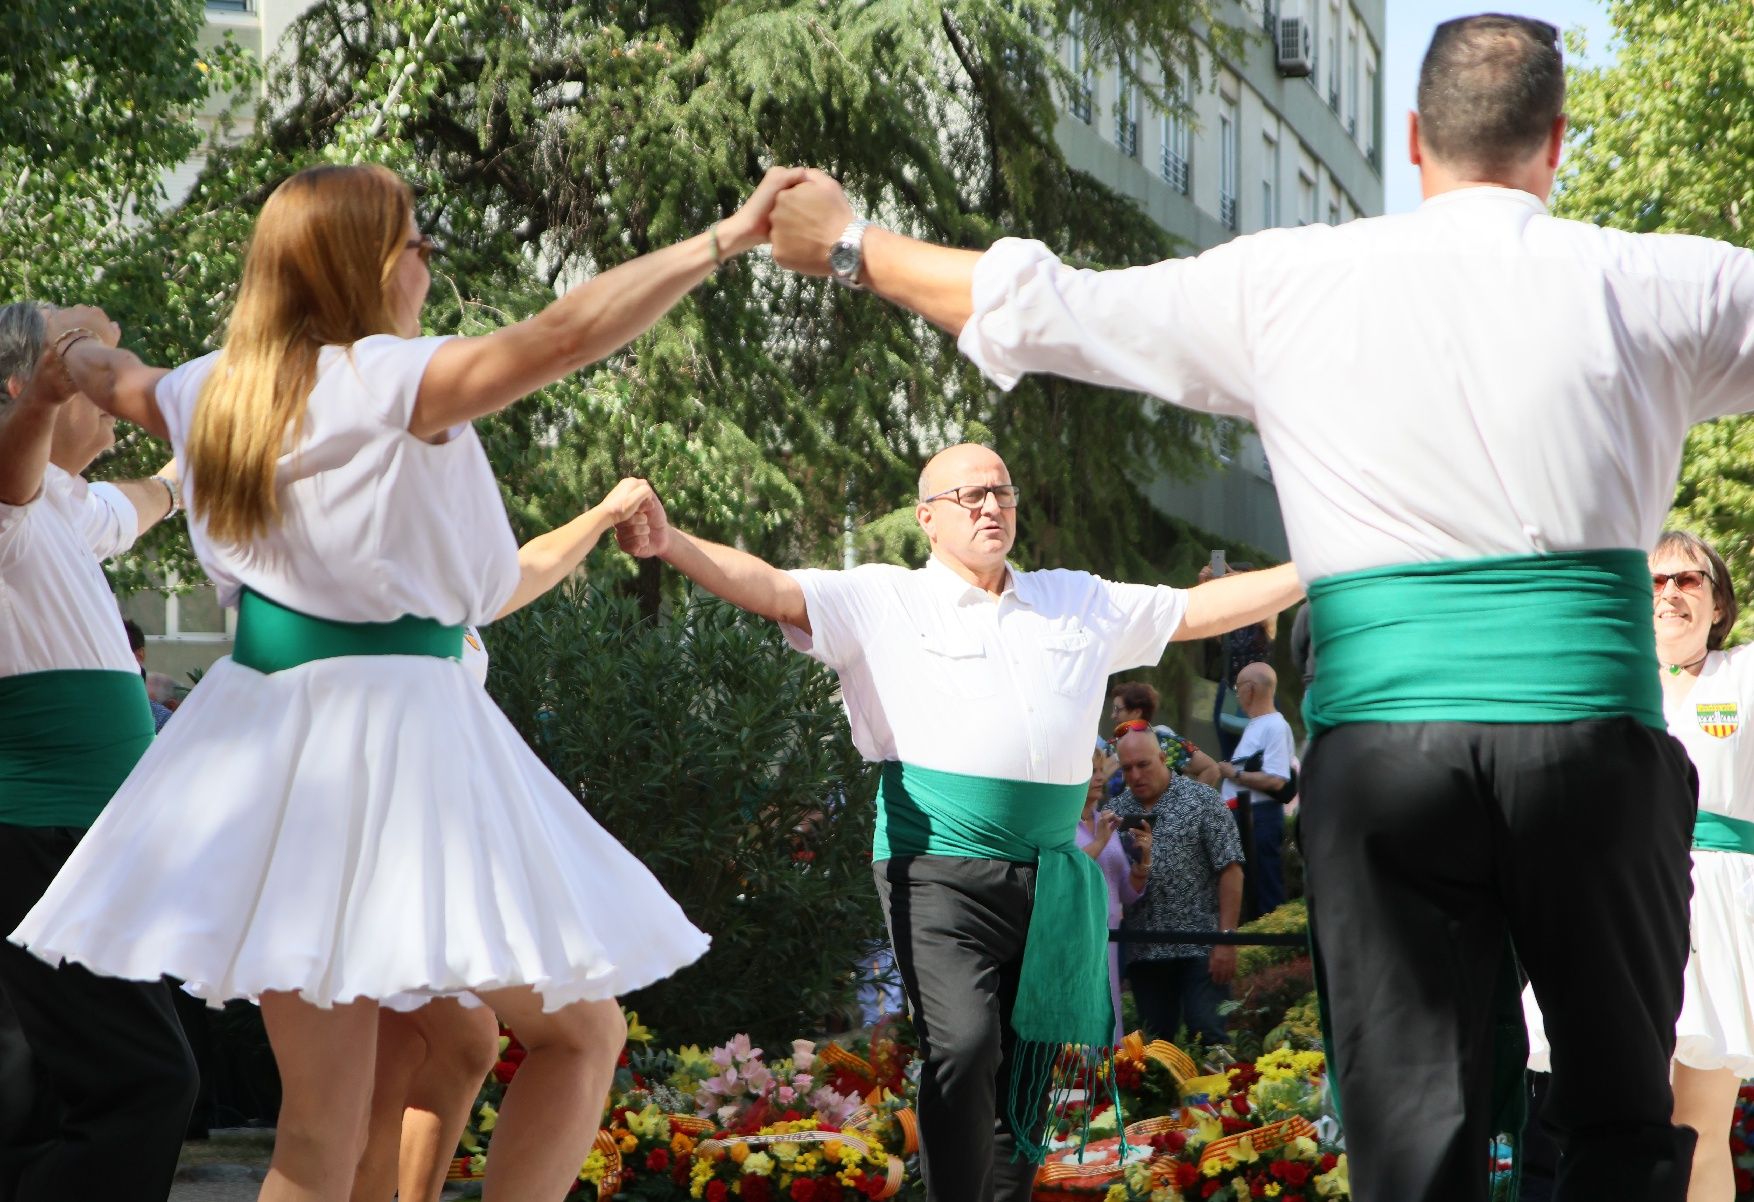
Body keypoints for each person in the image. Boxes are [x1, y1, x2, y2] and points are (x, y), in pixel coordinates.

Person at [756, 12, 1749, 1197]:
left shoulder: (1295, 280)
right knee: (1618, 1119)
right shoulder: (1656, 278)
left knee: (1409, 1128)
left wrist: (849, 242)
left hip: (1389, 760)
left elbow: (1047, 303)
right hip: (1588, 742)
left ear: (1413, 139)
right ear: (1558, 140)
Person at [11, 159, 806, 1201]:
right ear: (367, 265)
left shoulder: (207, 389)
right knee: (580, 1035)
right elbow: (567, 333)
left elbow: (106, 374)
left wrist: (63, 352)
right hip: (401, 734)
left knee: (319, 1127)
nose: (427, 256)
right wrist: (727, 237)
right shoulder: (389, 380)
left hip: (265, 741)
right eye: (414, 238)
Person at [613, 441, 1303, 1202]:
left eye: (1000, 492)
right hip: (936, 860)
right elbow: (773, 588)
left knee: (1026, 1063)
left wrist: (1320, 562)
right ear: (927, 518)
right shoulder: (885, 597)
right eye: (968, 496)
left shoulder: (1073, 596)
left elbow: (1195, 609)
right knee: (966, 1046)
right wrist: (670, 542)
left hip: (1049, 869)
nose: (988, 506)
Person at [352, 501, 652, 1202]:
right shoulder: (386, 586)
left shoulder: (436, 591)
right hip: (399, 850)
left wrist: (606, 513)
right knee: (584, 1033)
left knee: (450, 1045)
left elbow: (533, 564)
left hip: (398, 850)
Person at [0, 301, 193, 1201]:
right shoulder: (10, 491)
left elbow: (151, 498)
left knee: (55, 1099)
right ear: (24, 384)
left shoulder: (67, 507)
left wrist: (203, 461)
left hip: (86, 844)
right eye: (87, 372)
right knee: (148, 1085)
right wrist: (38, 404)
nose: (108, 397)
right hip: (41, 835)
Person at [1524, 532, 1754, 1202]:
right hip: (1615, 904)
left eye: (1688, 581)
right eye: (1654, 582)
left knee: (1699, 1125)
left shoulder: (1742, 673)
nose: (1670, 594)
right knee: (1617, 1121)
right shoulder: (1597, 679)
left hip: (1716, 902)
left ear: (1717, 604)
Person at [1107, 726, 1242, 1046]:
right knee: (1155, 1052)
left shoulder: (1203, 800)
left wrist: (1226, 939)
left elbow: (1231, 870)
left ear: (1164, 758)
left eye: (1144, 765)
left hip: (1202, 944)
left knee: (1208, 1036)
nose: (1136, 775)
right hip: (1146, 951)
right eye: (1127, 769)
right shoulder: (1116, 813)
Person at [1076, 748, 1145, 1045]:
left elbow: (1126, 894)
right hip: (1076, 937)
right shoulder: (1058, 825)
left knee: (1109, 1016)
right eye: (1092, 771)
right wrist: (1102, 840)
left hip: (1111, 936)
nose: (1100, 777)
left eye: (1100, 769)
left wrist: (1143, 864)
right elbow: (1067, 872)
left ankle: (1105, 1083)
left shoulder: (1106, 822)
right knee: (1080, 1017)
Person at [1214, 662, 1296, 914]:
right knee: (1246, 889)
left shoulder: (1275, 726)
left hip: (1258, 816)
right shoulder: (1256, 725)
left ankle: (1267, 945)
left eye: (1238, 687)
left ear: (1251, 689)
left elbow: (1277, 780)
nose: (1236, 694)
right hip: (1243, 815)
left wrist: (1235, 773)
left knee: (1264, 888)